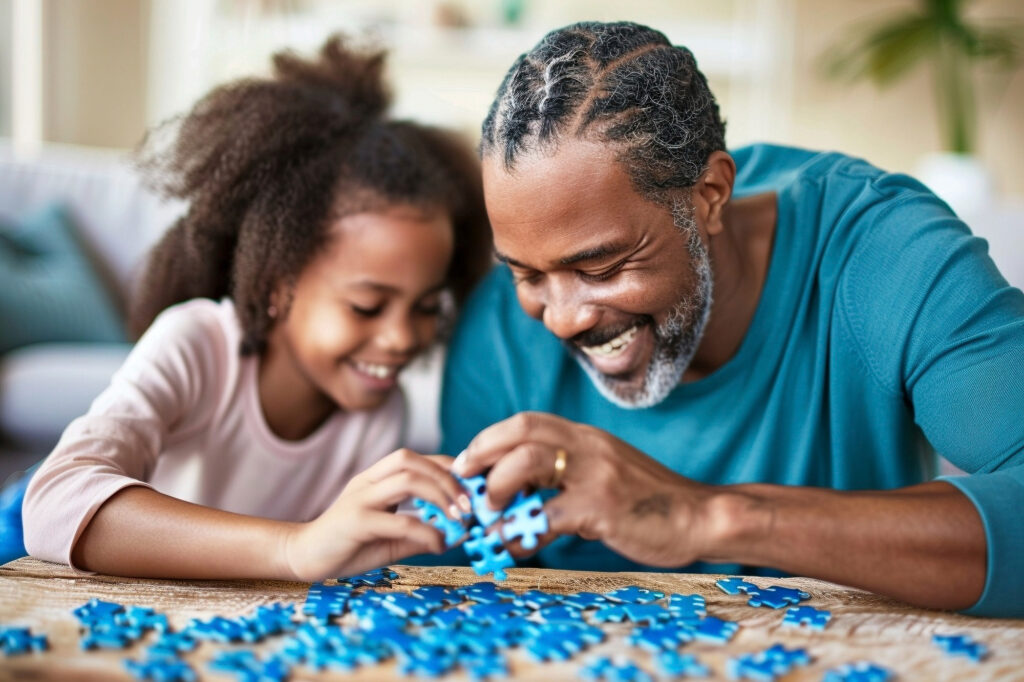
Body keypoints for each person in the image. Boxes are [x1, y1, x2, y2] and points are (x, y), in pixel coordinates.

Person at [442, 21, 1024, 618]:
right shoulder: (498, 329)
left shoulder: (884, 254)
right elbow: (458, 579)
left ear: (712, 195)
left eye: (602, 267)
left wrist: (707, 516)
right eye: (527, 274)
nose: (561, 320)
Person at [20, 36, 491, 581]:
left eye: (427, 307)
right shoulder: (196, 344)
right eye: (367, 306)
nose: (401, 338)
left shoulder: (380, 414)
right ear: (276, 286)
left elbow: (335, 560)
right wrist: (296, 547)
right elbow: (54, 504)